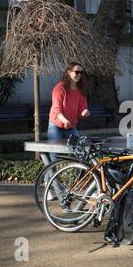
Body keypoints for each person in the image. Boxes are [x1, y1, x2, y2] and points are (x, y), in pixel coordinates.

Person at [44, 62, 90, 200]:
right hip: (56, 126)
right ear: (68, 72)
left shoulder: (80, 91)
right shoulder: (59, 88)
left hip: (71, 128)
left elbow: (82, 109)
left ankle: (79, 187)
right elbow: (57, 109)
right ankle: (48, 187)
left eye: (81, 73)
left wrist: (85, 112)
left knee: (80, 154)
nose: (79, 75)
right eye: (77, 72)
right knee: (54, 157)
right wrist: (64, 120)